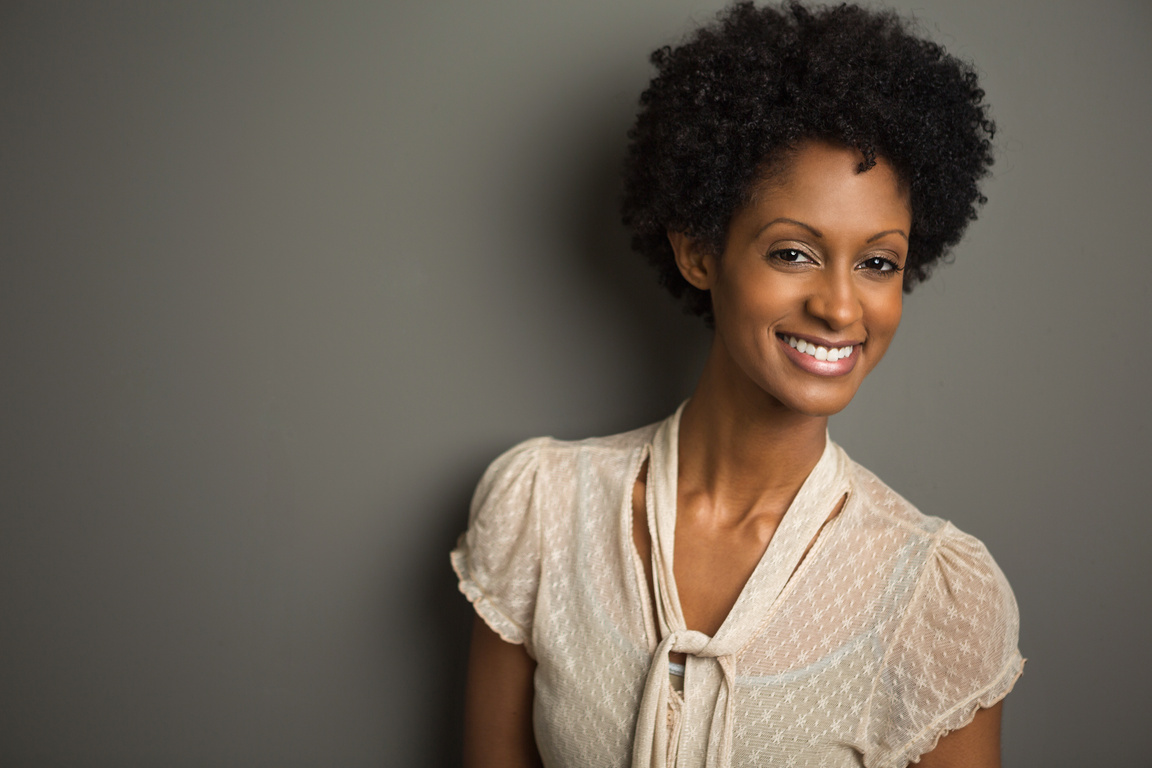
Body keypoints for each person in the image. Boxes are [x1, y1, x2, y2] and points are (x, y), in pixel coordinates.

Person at [451, 2, 1023, 766]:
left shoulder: (931, 597)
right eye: (794, 253)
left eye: (878, 263)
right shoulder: (545, 512)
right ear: (698, 252)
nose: (841, 306)